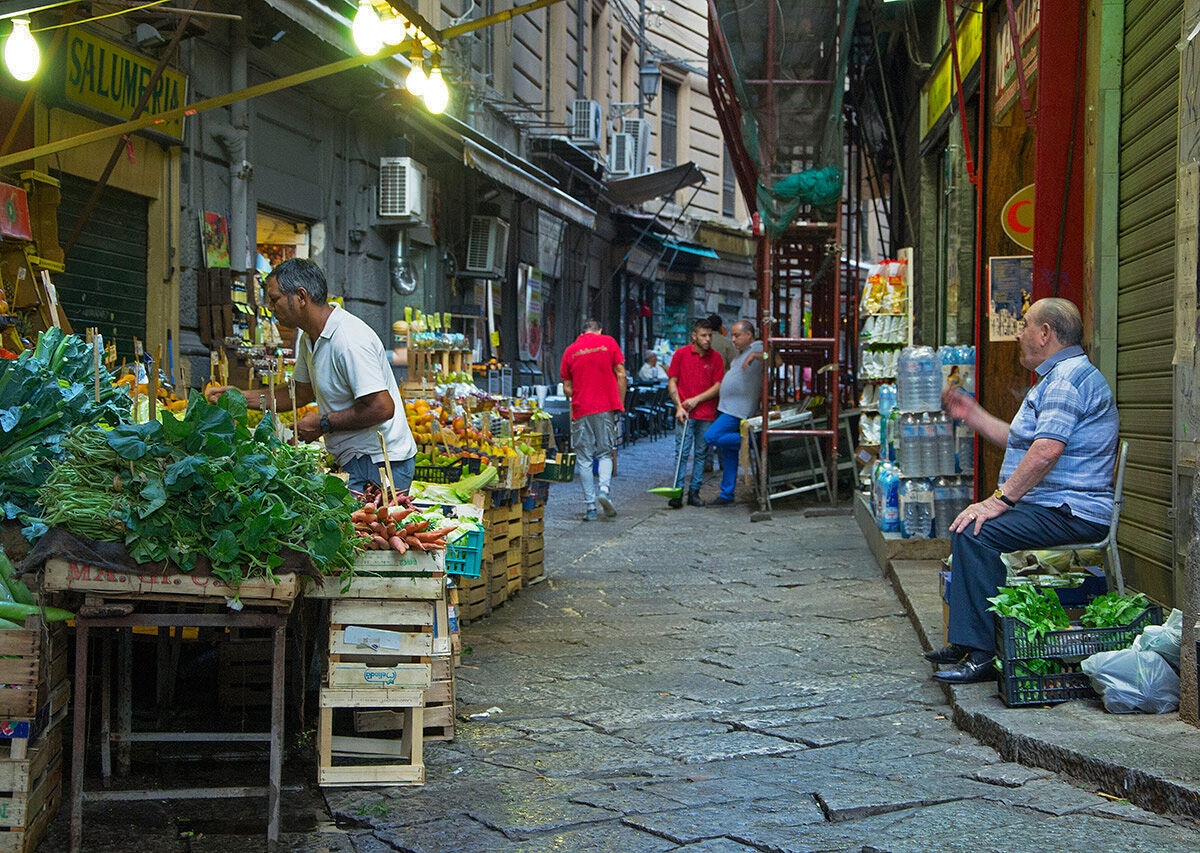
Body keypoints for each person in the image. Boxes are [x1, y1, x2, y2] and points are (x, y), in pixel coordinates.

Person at [928, 298, 1116, 683]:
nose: (1018, 332)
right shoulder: (1060, 377)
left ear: (1045, 333)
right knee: (970, 525)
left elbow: (1047, 451)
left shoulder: (1065, 381)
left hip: (1071, 511)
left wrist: (999, 500)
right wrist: (972, 414)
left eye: (1025, 324)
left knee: (978, 531)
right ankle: (968, 641)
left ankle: (982, 653)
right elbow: (1024, 440)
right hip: (1055, 505)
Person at [204, 258, 417, 494]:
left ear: (301, 297)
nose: (270, 308)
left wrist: (323, 424)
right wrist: (240, 397)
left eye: (274, 300)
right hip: (356, 459)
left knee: (365, 530)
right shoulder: (309, 337)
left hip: (379, 462)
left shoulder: (348, 340)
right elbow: (297, 393)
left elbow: (382, 408)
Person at [560, 319, 626, 521]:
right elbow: (621, 374)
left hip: (581, 410)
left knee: (584, 458)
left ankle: (590, 508)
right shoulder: (609, 343)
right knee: (606, 452)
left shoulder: (570, 351)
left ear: (582, 332)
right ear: (600, 330)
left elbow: (567, 388)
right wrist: (619, 403)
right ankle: (604, 490)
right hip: (605, 406)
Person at [702, 320, 764, 506]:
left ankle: (754, 442)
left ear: (749, 335)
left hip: (738, 411)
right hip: (728, 408)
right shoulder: (741, 352)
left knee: (710, 437)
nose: (733, 339)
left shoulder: (758, 346)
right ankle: (726, 494)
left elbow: (776, 359)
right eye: (733, 335)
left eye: (737, 335)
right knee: (729, 453)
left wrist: (756, 354)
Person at [666, 318, 725, 508]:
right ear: (694, 336)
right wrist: (679, 407)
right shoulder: (681, 354)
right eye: (704, 335)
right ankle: (677, 492)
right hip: (684, 413)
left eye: (710, 335)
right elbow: (672, 381)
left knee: (701, 453)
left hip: (706, 413)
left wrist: (697, 399)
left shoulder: (716, 358)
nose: (708, 339)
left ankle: (694, 492)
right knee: (681, 452)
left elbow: (718, 386)